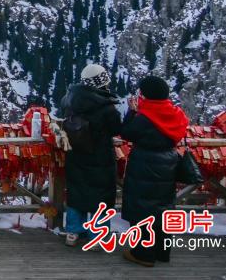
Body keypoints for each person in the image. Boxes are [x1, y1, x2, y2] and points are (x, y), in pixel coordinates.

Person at [120, 75, 188, 267]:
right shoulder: (176, 114)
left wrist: (132, 112)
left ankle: (143, 254)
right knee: (163, 207)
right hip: (168, 164)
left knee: (143, 209)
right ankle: (162, 252)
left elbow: (126, 133)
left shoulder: (146, 116)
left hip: (145, 164)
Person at [58, 63, 123, 246]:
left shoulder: (69, 100)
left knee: (76, 192)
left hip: (75, 154)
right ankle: (97, 235)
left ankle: (73, 231)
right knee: (100, 196)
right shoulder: (107, 107)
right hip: (100, 157)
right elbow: (117, 129)